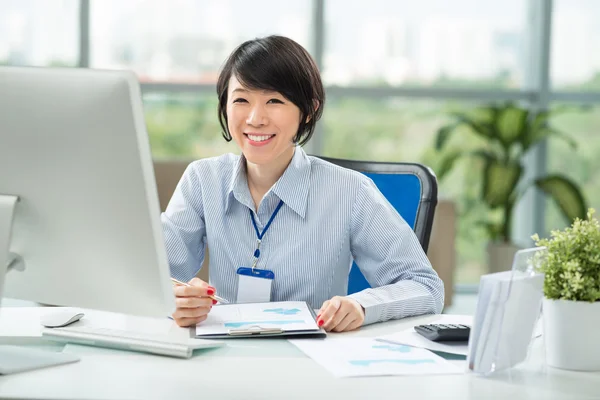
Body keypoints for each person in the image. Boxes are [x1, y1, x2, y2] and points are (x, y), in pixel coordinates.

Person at [162, 35, 444, 332]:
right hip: (223, 355)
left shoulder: (350, 192)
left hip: (315, 361)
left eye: (274, 101)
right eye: (241, 100)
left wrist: (361, 306)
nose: (255, 119)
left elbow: (425, 287)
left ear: (307, 110)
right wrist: (174, 298)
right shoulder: (202, 180)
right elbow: (152, 278)